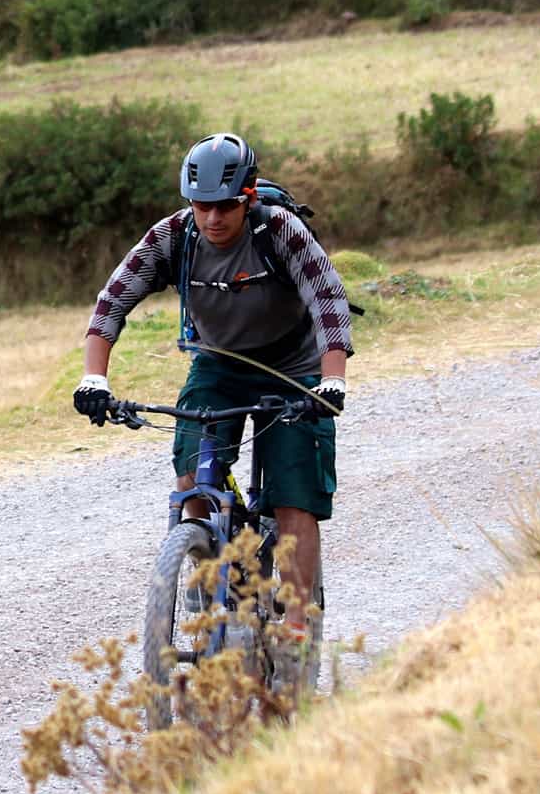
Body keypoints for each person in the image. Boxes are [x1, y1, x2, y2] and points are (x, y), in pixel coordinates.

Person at [73, 132, 354, 693]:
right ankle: (204, 579)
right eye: (201, 205)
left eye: (224, 205)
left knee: (294, 490)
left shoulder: (278, 231)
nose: (212, 217)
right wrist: (94, 378)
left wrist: (332, 382)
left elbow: (329, 300)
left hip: (291, 368)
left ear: (248, 196)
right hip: (217, 365)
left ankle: (296, 632)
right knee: (192, 477)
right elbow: (112, 301)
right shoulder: (173, 237)